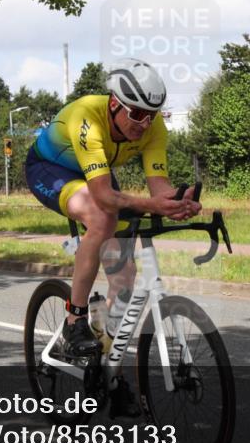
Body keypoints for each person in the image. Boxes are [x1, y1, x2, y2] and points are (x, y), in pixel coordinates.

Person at [24, 58, 200, 381]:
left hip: (97, 174)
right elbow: (105, 197)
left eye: (152, 115)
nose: (144, 123)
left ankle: (106, 371)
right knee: (102, 217)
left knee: (125, 278)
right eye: (137, 114)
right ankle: (75, 320)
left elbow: (158, 188)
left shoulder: (152, 127)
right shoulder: (88, 117)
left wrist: (176, 201)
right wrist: (153, 205)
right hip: (51, 169)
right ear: (115, 104)